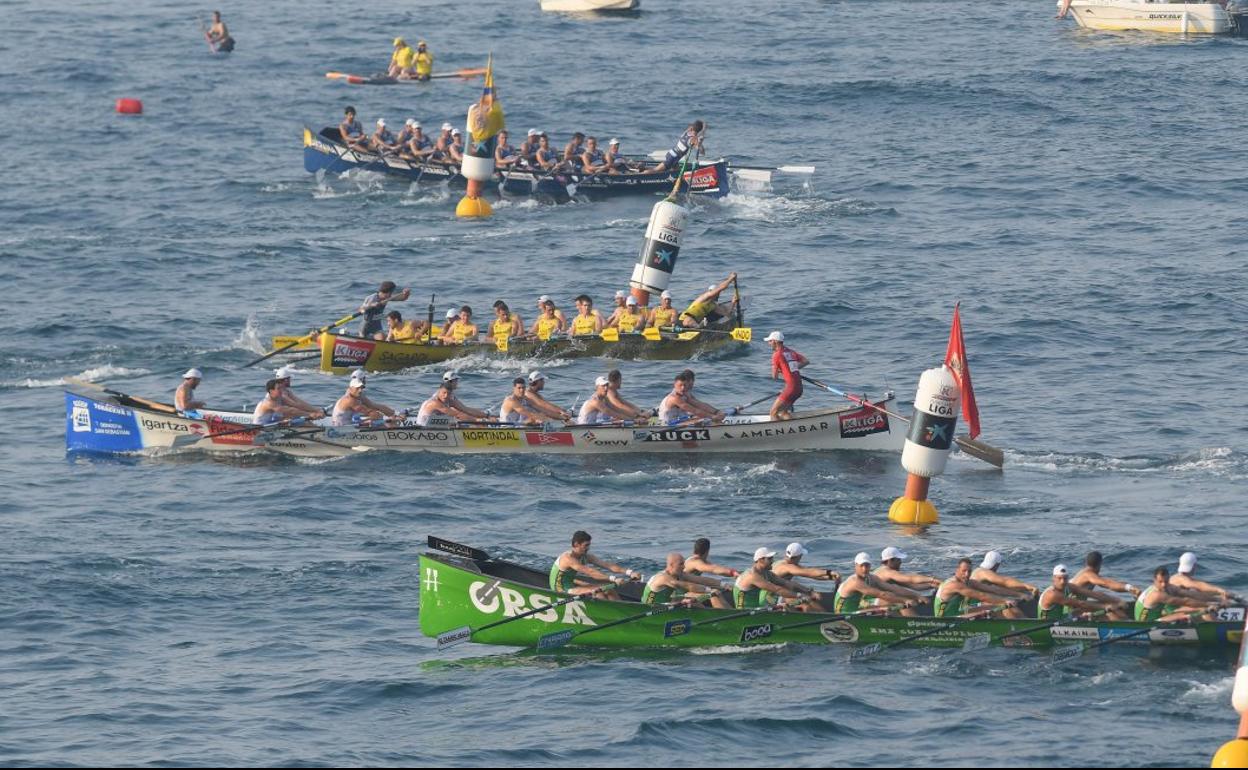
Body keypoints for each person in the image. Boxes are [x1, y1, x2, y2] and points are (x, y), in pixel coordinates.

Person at [550, 530, 639, 599]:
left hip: (571, 585)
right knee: (598, 593)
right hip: (560, 590)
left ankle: (623, 611)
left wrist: (629, 572)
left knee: (608, 589)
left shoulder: (586, 556)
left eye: (589, 545)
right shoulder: (568, 558)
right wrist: (614, 579)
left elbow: (607, 565)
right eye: (586, 545)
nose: (588, 548)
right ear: (576, 544)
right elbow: (590, 572)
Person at [733, 547, 821, 611]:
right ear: (761, 560)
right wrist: (800, 596)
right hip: (746, 611)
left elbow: (787, 583)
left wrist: (809, 591)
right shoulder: (752, 576)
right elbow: (777, 589)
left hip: (759, 608)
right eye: (770, 559)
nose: (773, 561)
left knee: (799, 606)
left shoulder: (766, 573)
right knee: (803, 606)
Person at [832, 552, 920, 615]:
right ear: (855, 566)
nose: (864, 569)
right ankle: (906, 626)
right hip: (845, 614)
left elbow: (893, 588)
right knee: (891, 603)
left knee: (891, 603)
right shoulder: (855, 582)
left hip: (858, 609)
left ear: (870, 566)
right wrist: (906, 600)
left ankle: (905, 625)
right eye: (861, 566)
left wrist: (917, 596)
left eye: (867, 566)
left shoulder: (871, 578)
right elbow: (882, 594)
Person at [933, 558, 1018, 618]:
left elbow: (993, 589)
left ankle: (1011, 630)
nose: (967, 574)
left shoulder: (969, 582)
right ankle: (1010, 634)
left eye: (969, 571)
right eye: (964, 571)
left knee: (994, 607)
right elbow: (982, 596)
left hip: (959, 612)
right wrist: (1005, 601)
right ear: (957, 570)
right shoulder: (953, 585)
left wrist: (1019, 595)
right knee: (987, 611)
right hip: (945, 619)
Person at [643, 553, 732, 609]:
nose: (684, 567)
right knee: (708, 595)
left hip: (666, 603)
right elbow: (687, 586)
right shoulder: (663, 577)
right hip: (650, 607)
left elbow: (701, 580)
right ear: (671, 565)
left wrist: (723, 584)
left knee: (693, 601)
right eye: (681, 564)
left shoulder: (679, 574)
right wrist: (709, 591)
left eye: (684, 564)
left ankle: (706, 617)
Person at [1135, 566, 1222, 623]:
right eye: (1160, 582)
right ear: (1154, 581)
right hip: (1145, 622)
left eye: (1166, 581)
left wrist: (1217, 600)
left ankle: (1212, 621)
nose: (1164, 585)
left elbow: (1191, 594)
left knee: (1198, 609)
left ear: (1169, 579)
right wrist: (1209, 605)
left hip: (1158, 615)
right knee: (1183, 615)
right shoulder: (1157, 594)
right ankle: (1213, 625)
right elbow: (1185, 601)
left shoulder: (1170, 587)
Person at [967, 550, 1037, 619]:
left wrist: (1020, 594)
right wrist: (1027, 587)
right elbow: (1005, 581)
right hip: (971, 606)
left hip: (975, 604)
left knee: (1006, 601)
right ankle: (1024, 623)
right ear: (997, 564)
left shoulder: (979, 572)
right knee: (1006, 605)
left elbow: (1000, 589)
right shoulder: (982, 572)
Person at [1070, 550, 1139, 620]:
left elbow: (1110, 582)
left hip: (1079, 605)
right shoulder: (1088, 575)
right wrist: (1128, 588)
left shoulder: (1086, 573)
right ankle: (1127, 623)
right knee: (1112, 608)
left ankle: (1124, 621)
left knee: (1111, 604)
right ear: (1100, 564)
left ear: (1086, 562)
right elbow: (1106, 584)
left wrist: (1130, 588)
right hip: (1073, 609)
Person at [870, 546, 939, 614]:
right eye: (898, 560)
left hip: (879, 600)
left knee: (902, 597)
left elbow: (913, 586)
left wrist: (932, 585)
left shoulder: (890, 574)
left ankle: (911, 621)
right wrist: (932, 579)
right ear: (890, 560)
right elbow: (911, 578)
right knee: (902, 600)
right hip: (869, 602)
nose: (900, 562)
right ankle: (914, 622)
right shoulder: (887, 572)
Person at [1038, 564, 1119, 621]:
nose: (1062, 582)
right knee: (1086, 610)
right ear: (1053, 578)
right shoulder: (1052, 594)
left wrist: (1115, 600)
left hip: (1061, 618)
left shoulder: (1069, 587)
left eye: (1065, 578)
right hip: (1047, 625)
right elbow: (1080, 603)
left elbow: (1093, 594)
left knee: (1081, 611)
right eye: (1059, 578)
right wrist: (1106, 607)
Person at [771, 542, 840, 609]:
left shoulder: (781, 563)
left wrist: (831, 577)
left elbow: (811, 574)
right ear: (799, 556)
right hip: (774, 597)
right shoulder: (787, 567)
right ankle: (828, 617)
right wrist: (829, 572)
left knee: (806, 596)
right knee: (808, 602)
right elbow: (809, 572)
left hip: (778, 593)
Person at [415, 371, 489, 426]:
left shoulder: (449, 397)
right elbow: (457, 415)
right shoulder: (434, 402)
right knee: (463, 419)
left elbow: (466, 409)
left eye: (448, 393)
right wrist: (478, 420)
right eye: (456, 380)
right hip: (423, 428)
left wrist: (487, 416)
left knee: (466, 421)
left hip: (435, 424)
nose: (446, 396)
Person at [765, 330, 808, 420]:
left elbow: (774, 376)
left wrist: (779, 371)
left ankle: (778, 433)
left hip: (791, 388)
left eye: (770, 341)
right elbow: (806, 361)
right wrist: (792, 369)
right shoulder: (790, 351)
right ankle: (794, 429)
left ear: (775, 341)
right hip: (799, 388)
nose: (769, 343)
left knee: (773, 412)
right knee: (782, 412)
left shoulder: (776, 355)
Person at [658, 369, 725, 425]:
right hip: (668, 424)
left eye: (685, 385)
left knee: (705, 418)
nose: (683, 388)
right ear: (674, 384)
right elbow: (695, 410)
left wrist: (717, 412)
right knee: (705, 420)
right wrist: (713, 417)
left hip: (679, 420)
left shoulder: (686, 394)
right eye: (680, 385)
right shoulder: (674, 398)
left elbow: (700, 405)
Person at [1171, 552, 1241, 603]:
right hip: (1172, 608)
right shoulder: (1181, 579)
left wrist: (1222, 595)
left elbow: (1200, 588)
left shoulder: (1179, 578)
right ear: (1194, 566)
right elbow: (1199, 585)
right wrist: (1220, 590)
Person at [332, 372, 396, 427]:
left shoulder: (355, 395)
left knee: (379, 419)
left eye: (361, 388)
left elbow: (373, 406)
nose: (360, 390)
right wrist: (387, 418)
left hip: (348, 424)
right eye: (357, 388)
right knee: (380, 421)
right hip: (342, 429)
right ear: (350, 388)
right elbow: (372, 413)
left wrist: (392, 414)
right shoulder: (350, 400)